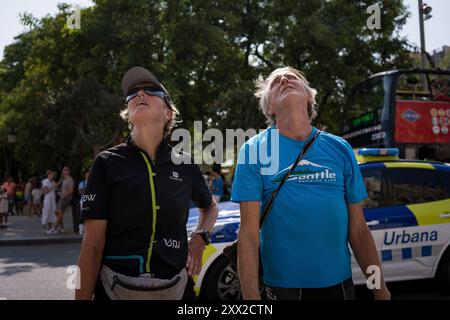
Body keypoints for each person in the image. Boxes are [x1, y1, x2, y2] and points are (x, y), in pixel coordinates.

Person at [231, 67, 391, 300]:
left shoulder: (340, 148)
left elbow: (358, 231)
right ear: (269, 107)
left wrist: (380, 290)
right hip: (283, 289)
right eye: (275, 82)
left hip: (340, 287)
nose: (284, 79)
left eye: (293, 77)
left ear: (309, 97)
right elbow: (248, 234)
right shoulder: (253, 150)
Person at [76, 66, 218, 300]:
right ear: (128, 114)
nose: (140, 94)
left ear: (168, 113)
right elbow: (91, 245)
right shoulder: (106, 163)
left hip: (176, 289)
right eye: (133, 94)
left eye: (151, 90)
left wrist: (201, 237)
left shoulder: (184, 163)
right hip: (115, 290)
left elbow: (210, 206)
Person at [53, 167, 74, 233]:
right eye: (63, 170)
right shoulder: (63, 179)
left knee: (59, 212)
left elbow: (71, 190)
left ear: (68, 172)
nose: (64, 171)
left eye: (66, 170)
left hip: (66, 198)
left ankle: (54, 228)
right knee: (56, 211)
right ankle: (61, 227)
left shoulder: (70, 179)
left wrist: (64, 195)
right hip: (62, 197)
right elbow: (56, 185)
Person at [77, 170, 90, 236]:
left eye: (89, 174)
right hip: (83, 200)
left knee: (89, 215)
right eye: (87, 174)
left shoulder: (93, 183)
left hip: (91, 200)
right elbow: (80, 191)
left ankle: (87, 230)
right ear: (85, 175)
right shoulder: (82, 183)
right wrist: (88, 190)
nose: (88, 175)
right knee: (83, 215)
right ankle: (81, 229)